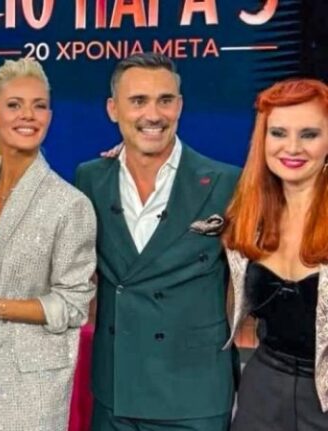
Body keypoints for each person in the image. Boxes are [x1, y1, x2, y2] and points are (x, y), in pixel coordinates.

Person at [75, 52, 240, 430]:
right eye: (138, 101)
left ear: (179, 105)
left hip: (195, 395)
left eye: (164, 100)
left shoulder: (226, 183)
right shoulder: (90, 179)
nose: (153, 115)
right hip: (115, 394)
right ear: (113, 109)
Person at [0, 57, 97, 431]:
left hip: (30, 387)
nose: (28, 116)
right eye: (14, 105)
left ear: (49, 116)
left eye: (39, 106)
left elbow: (73, 306)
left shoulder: (69, 205)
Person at [223, 78, 328, 430]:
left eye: (309, 134)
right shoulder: (247, 215)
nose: (292, 148)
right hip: (263, 388)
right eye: (279, 133)